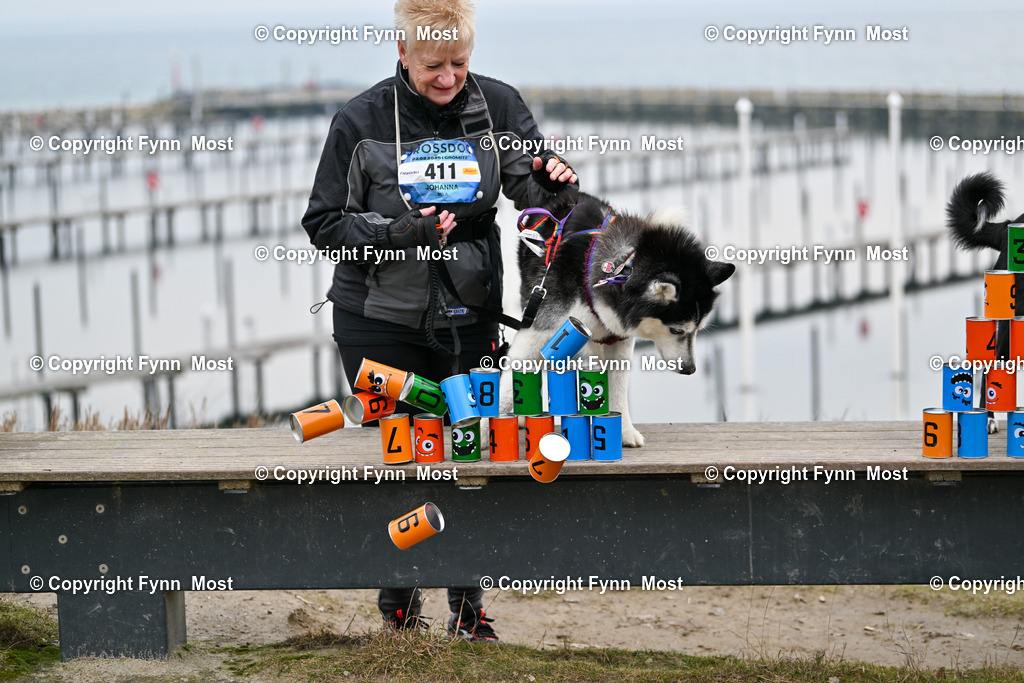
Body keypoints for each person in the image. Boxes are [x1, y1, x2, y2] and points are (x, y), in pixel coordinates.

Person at [301, 0, 578, 642]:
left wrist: (554, 182)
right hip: (376, 322)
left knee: (469, 453)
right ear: (403, 54)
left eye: (459, 62)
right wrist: (402, 232)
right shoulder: (360, 120)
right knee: (405, 456)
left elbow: (532, 194)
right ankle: (399, 603)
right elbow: (324, 224)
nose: (448, 77)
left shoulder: (500, 107)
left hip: (471, 317)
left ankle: (467, 605)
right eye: (433, 65)